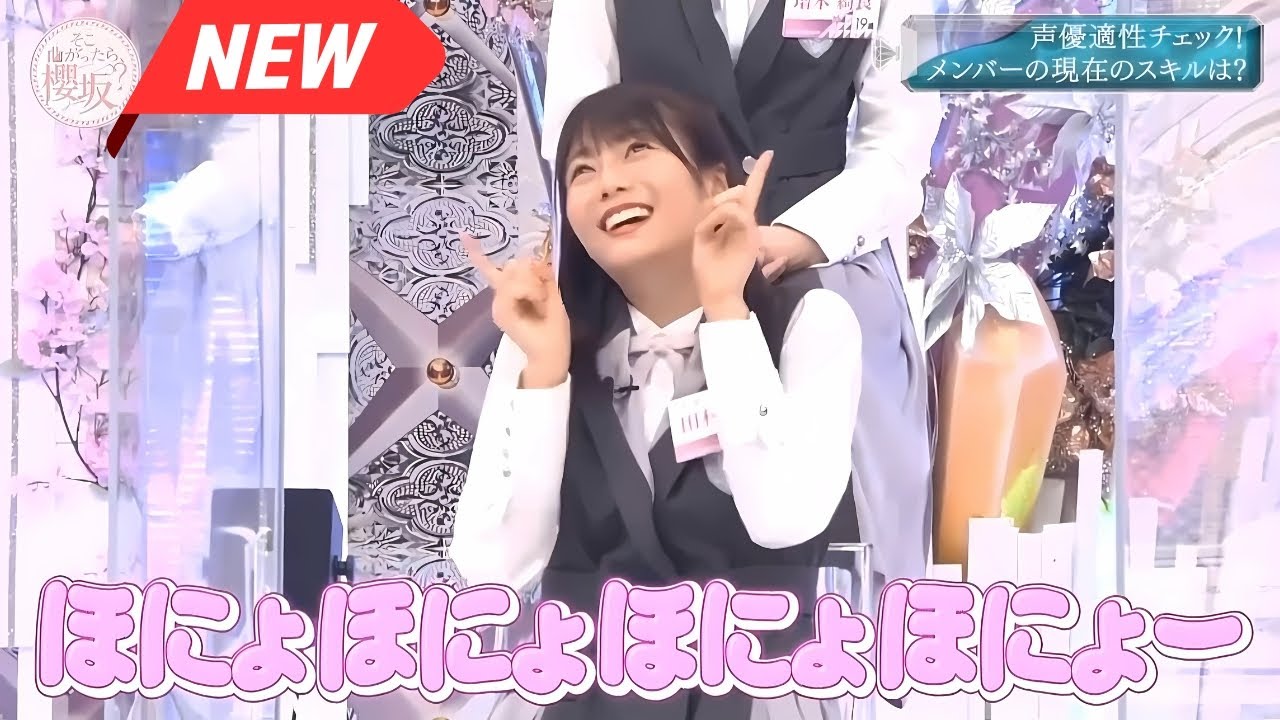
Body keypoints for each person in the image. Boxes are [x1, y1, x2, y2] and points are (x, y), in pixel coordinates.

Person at [451, 83, 862, 720]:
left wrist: (725, 311)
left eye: (637, 149)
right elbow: (496, 566)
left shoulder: (812, 321)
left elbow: (784, 518)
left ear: (715, 182)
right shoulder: (538, 344)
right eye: (582, 171)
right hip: (582, 693)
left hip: (757, 689)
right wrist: (547, 373)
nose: (608, 183)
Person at [539, 0, 939, 587]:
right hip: (654, 263)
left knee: (844, 500)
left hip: (822, 252)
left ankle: (846, 618)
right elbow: (574, 123)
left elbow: (897, 147)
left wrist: (802, 236)